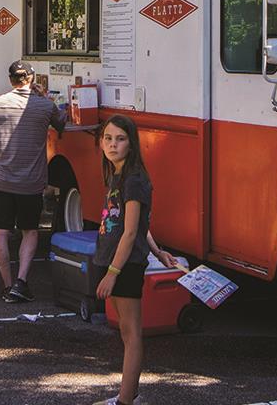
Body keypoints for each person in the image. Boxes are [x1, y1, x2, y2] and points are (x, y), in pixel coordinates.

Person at [0, 60, 64, 303]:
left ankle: (7, 286)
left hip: (1, 179)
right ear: (31, 78)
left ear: (11, 80)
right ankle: (21, 281)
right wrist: (45, 97)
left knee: (0, 232)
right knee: (30, 231)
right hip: (32, 180)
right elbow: (62, 122)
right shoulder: (44, 106)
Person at [92, 115, 176, 405]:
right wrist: (158, 250)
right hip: (113, 259)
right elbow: (140, 227)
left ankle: (127, 400)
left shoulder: (134, 179)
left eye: (120, 139)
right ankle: (127, 395)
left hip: (124, 265)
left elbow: (130, 233)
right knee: (126, 334)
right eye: (108, 138)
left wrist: (113, 273)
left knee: (131, 334)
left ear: (132, 143)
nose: (112, 145)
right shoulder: (117, 173)